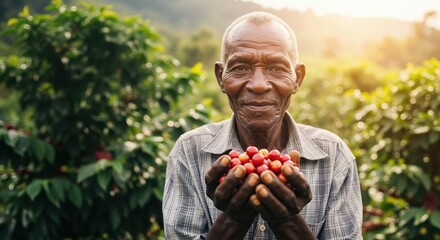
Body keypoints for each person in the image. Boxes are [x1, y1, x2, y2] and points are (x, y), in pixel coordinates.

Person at [162, 11, 363, 239]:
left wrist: (287, 221)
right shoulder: (189, 152)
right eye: (240, 68)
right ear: (221, 77)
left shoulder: (334, 156)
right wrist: (232, 219)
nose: (258, 85)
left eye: (277, 68)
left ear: (297, 78)